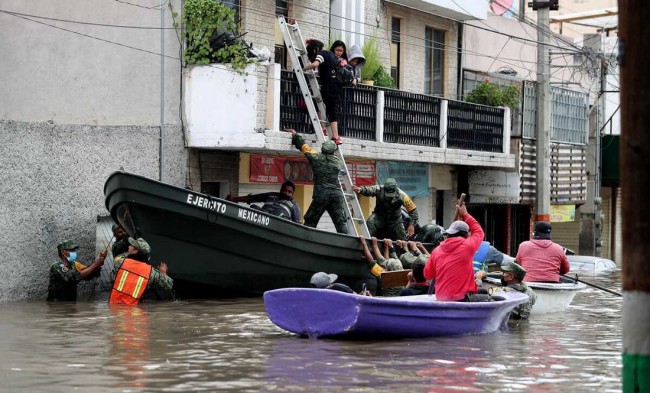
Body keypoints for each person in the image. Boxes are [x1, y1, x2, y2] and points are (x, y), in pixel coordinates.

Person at [283, 128, 349, 234]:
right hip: (336, 195)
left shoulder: (316, 157)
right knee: (341, 223)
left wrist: (295, 134)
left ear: (323, 149)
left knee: (310, 221)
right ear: (333, 151)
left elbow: (304, 146)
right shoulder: (338, 161)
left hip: (321, 194)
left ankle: (305, 241)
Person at [423, 202, 485, 301]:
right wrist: (465, 214)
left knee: (482, 292)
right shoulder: (467, 246)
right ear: (466, 235)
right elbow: (479, 232)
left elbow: (427, 275)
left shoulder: (436, 251)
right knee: (491, 297)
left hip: (442, 298)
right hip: (462, 299)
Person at [110, 237, 174, 305]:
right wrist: (163, 272)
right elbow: (168, 285)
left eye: (131, 246)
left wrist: (129, 253)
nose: (129, 247)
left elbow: (118, 256)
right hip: (135, 311)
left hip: (114, 307)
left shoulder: (120, 262)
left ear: (135, 251)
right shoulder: (150, 272)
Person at [304, 39, 344, 145]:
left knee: (328, 109)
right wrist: (308, 40)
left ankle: (335, 136)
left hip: (329, 86)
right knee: (331, 110)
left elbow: (314, 65)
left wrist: (303, 68)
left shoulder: (321, 54)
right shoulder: (331, 54)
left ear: (315, 50)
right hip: (336, 86)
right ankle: (333, 134)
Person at [353, 178, 419, 240]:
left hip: (395, 221)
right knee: (370, 222)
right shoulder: (379, 189)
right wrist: (360, 189)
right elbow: (370, 190)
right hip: (379, 217)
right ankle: (366, 242)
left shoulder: (403, 196)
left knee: (403, 239)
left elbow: (413, 211)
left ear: (395, 190)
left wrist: (411, 225)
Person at [226, 181, 302, 223]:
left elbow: (296, 225)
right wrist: (234, 199)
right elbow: (252, 198)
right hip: (260, 219)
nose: (286, 193)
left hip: (277, 225)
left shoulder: (294, 206)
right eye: (284, 190)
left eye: (289, 192)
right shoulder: (272, 195)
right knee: (253, 207)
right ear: (281, 189)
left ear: (293, 193)